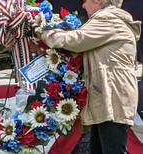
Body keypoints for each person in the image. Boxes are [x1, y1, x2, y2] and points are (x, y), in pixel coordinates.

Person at [35, 0, 141, 153]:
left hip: (111, 99)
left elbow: (75, 40)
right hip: (108, 98)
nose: (83, 6)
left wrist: (44, 32)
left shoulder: (107, 19)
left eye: (85, 1)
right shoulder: (112, 20)